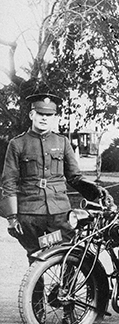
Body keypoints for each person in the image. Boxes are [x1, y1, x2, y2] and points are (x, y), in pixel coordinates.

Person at [0, 93, 108, 260]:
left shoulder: (62, 142)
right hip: (30, 214)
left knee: (70, 254)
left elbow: (75, 178)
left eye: (49, 115)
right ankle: (36, 287)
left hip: (59, 213)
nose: (44, 118)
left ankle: (66, 286)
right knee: (36, 257)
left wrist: (97, 193)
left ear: (54, 117)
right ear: (31, 115)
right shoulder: (17, 144)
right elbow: (9, 182)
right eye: (40, 114)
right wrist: (12, 217)